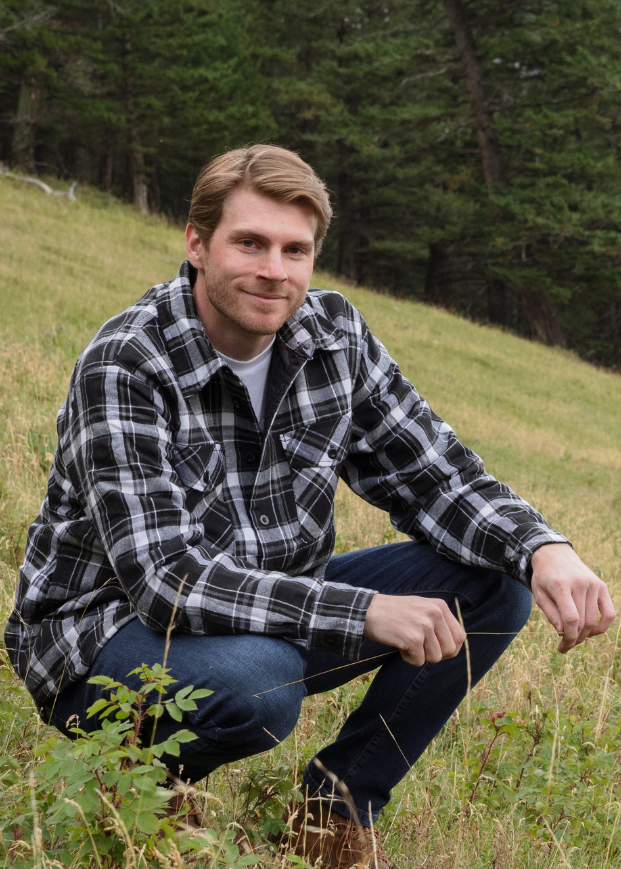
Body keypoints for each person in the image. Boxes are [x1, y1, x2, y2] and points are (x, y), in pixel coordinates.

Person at [5, 145, 615, 869]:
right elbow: (166, 582)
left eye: (296, 250)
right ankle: (141, 785)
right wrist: (361, 611)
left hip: (266, 617)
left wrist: (543, 546)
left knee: (493, 580)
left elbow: (437, 475)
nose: (275, 269)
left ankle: (334, 809)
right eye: (250, 242)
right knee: (259, 684)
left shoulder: (332, 337)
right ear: (196, 243)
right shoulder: (129, 361)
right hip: (101, 636)